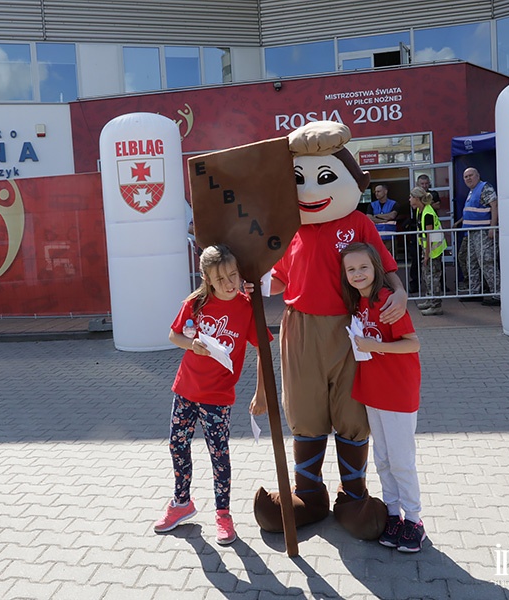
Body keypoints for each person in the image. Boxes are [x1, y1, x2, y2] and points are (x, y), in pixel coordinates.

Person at [253, 121, 407, 541]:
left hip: (351, 328)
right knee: (304, 408)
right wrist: (256, 279)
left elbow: (386, 269)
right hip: (299, 329)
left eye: (322, 177)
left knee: (351, 409)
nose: (309, 189)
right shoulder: (292, 231)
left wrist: (402, 296)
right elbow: (281, 279)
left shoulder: (358, 222)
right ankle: (308, 495)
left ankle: (353, 495)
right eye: (299, 179)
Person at [154, 244, 268, 546]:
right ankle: (181, 503)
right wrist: (192, 346)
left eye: (233, 275)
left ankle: (223, 514)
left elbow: (265, 351)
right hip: (185, 389)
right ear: (206, 278)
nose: (230, 283)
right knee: (177, 445)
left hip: (218, 396)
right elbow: (173, 335)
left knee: (219, 454)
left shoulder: (246, 306)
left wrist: (262, 393)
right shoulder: (195, 303)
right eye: (221, 279)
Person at [340, 242, 425, 552]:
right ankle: (393, 515)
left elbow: (412, 344)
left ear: (376, 268)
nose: (358, 273)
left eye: (363, 267)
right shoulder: (359, 304)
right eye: (351, 269)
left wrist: (376, 347)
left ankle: (414, 520)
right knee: (383, 459)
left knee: (402, 461)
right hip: (373, 394)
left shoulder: (388, 302)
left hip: (397, 394)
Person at [460, 167, 500, 306]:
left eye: (471, 175)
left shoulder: (485, 187)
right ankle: (475, 292)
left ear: (478, 176)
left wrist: (492, 227)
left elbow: (494, 206)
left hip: (483, 232)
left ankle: (497, 293)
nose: (468, 178)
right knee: (471, 262)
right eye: (466, 177)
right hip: (471, 232)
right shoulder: (472, 192)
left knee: (486, 261)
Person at [409, 187, 447, 316]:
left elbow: (429, 235)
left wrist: (426, 255)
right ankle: (430, 300)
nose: (409, 200)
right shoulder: (420, 211)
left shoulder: (428, 213)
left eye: (411, 197)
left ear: (417, 198)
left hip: (433, 251)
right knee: (427, 276)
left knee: (433, 278)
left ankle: (436, 305)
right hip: (427, 249)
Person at [366, 184, 398, 255]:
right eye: (375, 192)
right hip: (377, 236)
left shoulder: (394, 204)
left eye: (379, 191)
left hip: (390, 236)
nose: (376, 193)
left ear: (385, 192)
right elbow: (369, 218)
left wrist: (377, 216)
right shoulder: (372, 205)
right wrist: (383, 220)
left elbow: (392, 216)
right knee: (378, 257)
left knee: (390, 257)